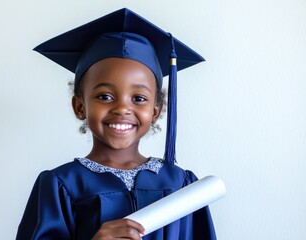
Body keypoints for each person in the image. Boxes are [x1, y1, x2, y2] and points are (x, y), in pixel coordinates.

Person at [16, 8, 216, 240]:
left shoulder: (181, 185)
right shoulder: (61, 186)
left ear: (155, 111)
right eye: (105, 96)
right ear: (80, 106)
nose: (122, 108)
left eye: (138, 98)